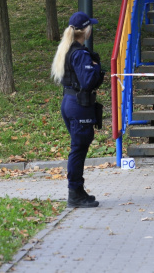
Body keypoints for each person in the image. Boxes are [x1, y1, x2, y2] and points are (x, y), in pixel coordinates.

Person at [51, 12, 105, 208]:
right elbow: (88, 81)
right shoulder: (80, 53)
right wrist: (96, 67)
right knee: (78, 148)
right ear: (86, 30)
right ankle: (74, 193)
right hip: (78, 105)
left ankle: (78, 190)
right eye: (91, 26)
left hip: (69, 101)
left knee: (79, 147)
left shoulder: (67, 49)